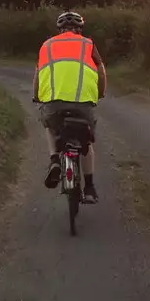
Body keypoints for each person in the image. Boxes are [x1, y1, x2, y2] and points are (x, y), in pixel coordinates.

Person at [35, 10, 106, 203]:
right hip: (83, 104)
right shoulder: (88, 44)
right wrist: (100, 93)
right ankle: (89, 188)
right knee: (87, 143)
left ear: (59, 29)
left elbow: (39, 73)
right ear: (80, 29)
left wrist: (37, 96)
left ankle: (54, 160)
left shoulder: (46, 45)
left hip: (53, 103)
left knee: (49, 125)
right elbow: (100, 69)